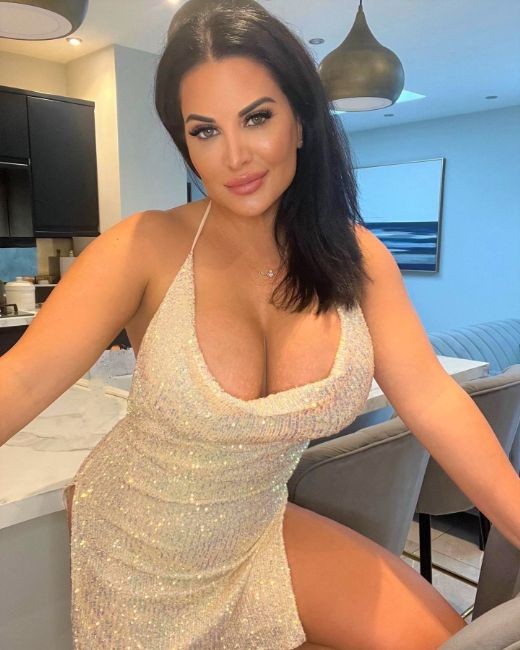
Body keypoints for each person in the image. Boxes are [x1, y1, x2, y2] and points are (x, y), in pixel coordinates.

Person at [1, 0, 519, 648]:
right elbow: (19, 381)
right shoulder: (143, 247)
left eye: (257, 117)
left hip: (256, 529)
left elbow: (433, 398)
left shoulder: (358, 260)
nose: (235, 156)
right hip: (139, 548)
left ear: (300, 120)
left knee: (451, 640)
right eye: (205, 131)